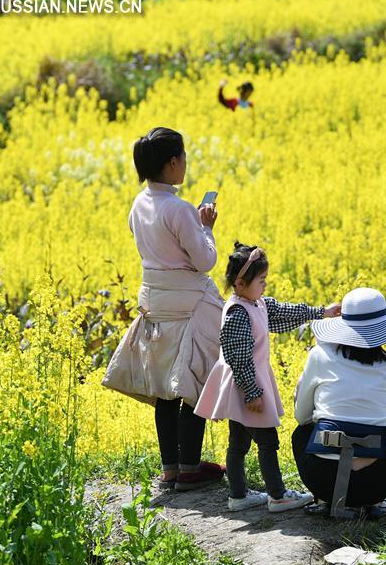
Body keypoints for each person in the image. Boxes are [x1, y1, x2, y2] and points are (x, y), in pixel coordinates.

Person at [103, 127, 225, 492]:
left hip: (155, 304)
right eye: (183, 157)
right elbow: (205, 261)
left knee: (165, 389)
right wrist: (206, 228)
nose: (185, 163)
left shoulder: (138, 204)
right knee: (194, 382)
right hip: (189, 306)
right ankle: (190, 468)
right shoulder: (180, 209)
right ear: (172, 163)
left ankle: (170, 469)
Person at [194, 243, 341, 512]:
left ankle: (238, 496)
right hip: (245, 384)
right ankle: (278, 495)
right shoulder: (238, 313)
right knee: (267, 441)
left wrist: (321, 312)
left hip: (245, 383)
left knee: (239, 442)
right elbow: (238, 356)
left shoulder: (256, 303)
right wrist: (252, 392)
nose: (265, 285)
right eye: (261, 280)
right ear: (240, 283)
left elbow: (284, 312)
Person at [291, 288, 386, 517]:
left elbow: (301, 417)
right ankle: (373, 504)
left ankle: (326, 500)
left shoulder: (319, 356)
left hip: (322, 480)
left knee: (302, 432)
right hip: (375, 485)